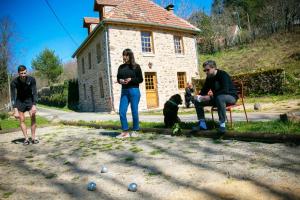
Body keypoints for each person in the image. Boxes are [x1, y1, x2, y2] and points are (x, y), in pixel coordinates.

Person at [194, 60, 238, 134]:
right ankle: (202, 125)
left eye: (207, 70)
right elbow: (204, 90)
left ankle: (222, 125)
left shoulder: (223, 75)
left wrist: (210, 97)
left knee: (220, 98)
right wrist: (198, 96)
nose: (206, 72)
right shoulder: (209, 77)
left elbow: (225, 90)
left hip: (230, 97)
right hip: (216, 98)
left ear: (214, 68)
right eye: (204, 70)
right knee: (198, 101)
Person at [116, 49, 143, 138]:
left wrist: (131, 79)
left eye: (127, 55)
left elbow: (140, 79)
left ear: (130, 56)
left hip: (134, 90)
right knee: (121, 111)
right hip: (124, 91)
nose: (125, 57)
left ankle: (135, 130)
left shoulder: (136, 66)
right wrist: (120, 81)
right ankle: (125, 131)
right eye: (124, 55)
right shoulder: (121, 67)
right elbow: (118, 78)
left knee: (134, 110)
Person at [10, 65, 38, 145]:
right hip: (20, 101)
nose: (23, 75)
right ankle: (26, 139)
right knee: (22, 119)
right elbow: (13, 96)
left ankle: (33, 138)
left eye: (24, 73)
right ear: (18, 73)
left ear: (26, 71)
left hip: (29, 100)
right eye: (21, 73)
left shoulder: (31, 79)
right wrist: (15, 109)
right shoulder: (14, 82)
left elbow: (35, 92)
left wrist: (34, 105)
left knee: (33, 117)